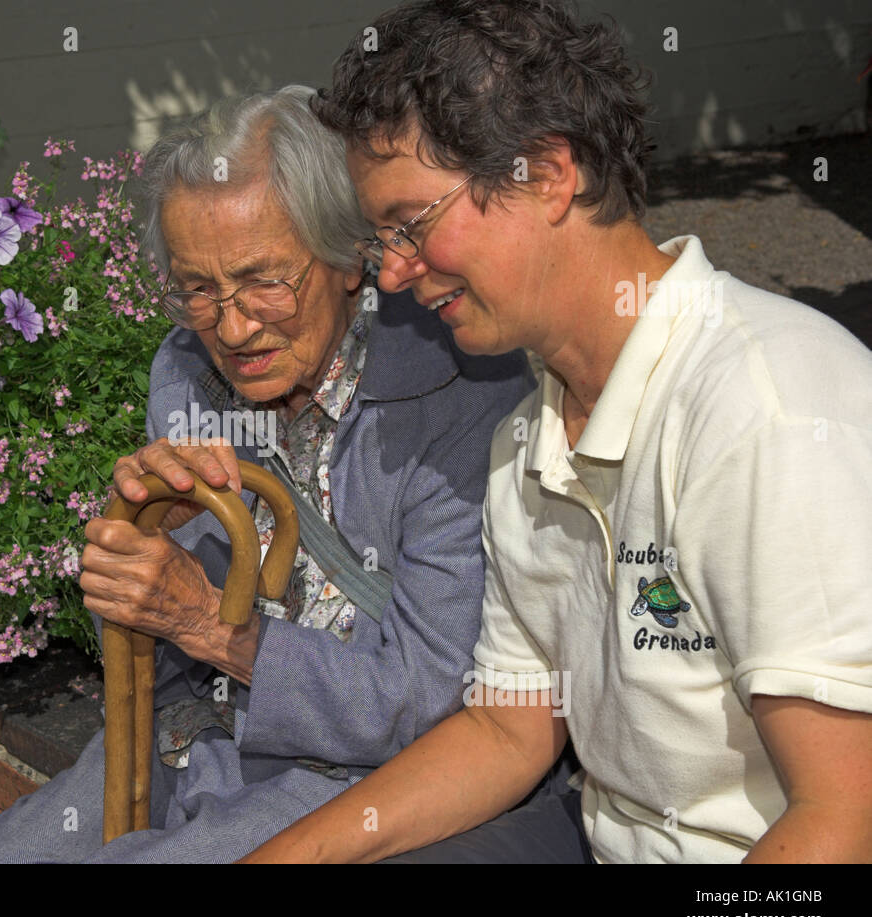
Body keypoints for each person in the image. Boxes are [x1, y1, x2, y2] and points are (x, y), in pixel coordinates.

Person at [243, 0, 872, 864]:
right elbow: (511, 730)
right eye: (380, 238)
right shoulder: (527, 438)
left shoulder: (771, 410)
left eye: (412, 224)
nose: (390, 273)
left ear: (547, 174)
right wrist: (293, 856)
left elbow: (843, 820)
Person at [0, 86, 564, 864]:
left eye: (264, 279)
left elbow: (427, 700)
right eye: (197, 288)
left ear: (346, 257)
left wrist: (209, 623)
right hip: (189, 741)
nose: (232, 328)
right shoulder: (184, 371)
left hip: (348, 782)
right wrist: (134, 559)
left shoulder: (459, 392)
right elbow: (146, 658)